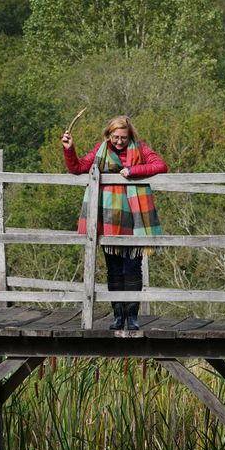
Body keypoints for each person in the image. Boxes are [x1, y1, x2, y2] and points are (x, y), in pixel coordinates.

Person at [61, 115, 167, 330]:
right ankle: (118, 316)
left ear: (130, 136)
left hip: (136, 219)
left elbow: (161, 165)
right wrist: (69, 149)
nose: (119, 141)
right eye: (115, 137)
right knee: (114, 269)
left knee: (133, 268)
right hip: (108, 219)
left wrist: (132, 171)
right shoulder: (100, 151)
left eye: (124, 138)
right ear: (108, 135)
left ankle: (132, 317)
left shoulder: (140, 149)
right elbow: (78, 167)